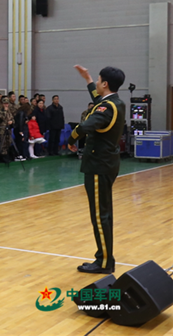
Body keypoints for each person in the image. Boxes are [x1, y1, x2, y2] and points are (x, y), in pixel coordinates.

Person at [68, 65, 126, 275]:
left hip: (98, 165)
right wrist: (88, 79)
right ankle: (104, 258)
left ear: (106, 84)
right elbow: (98, 98)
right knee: (103, 213)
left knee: (100, 216)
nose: (98, 84)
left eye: (99, 80)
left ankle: (104, 262)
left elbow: (85, 126)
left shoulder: (107, 108)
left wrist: (71, 139)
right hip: (107, 163)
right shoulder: (115, 102)